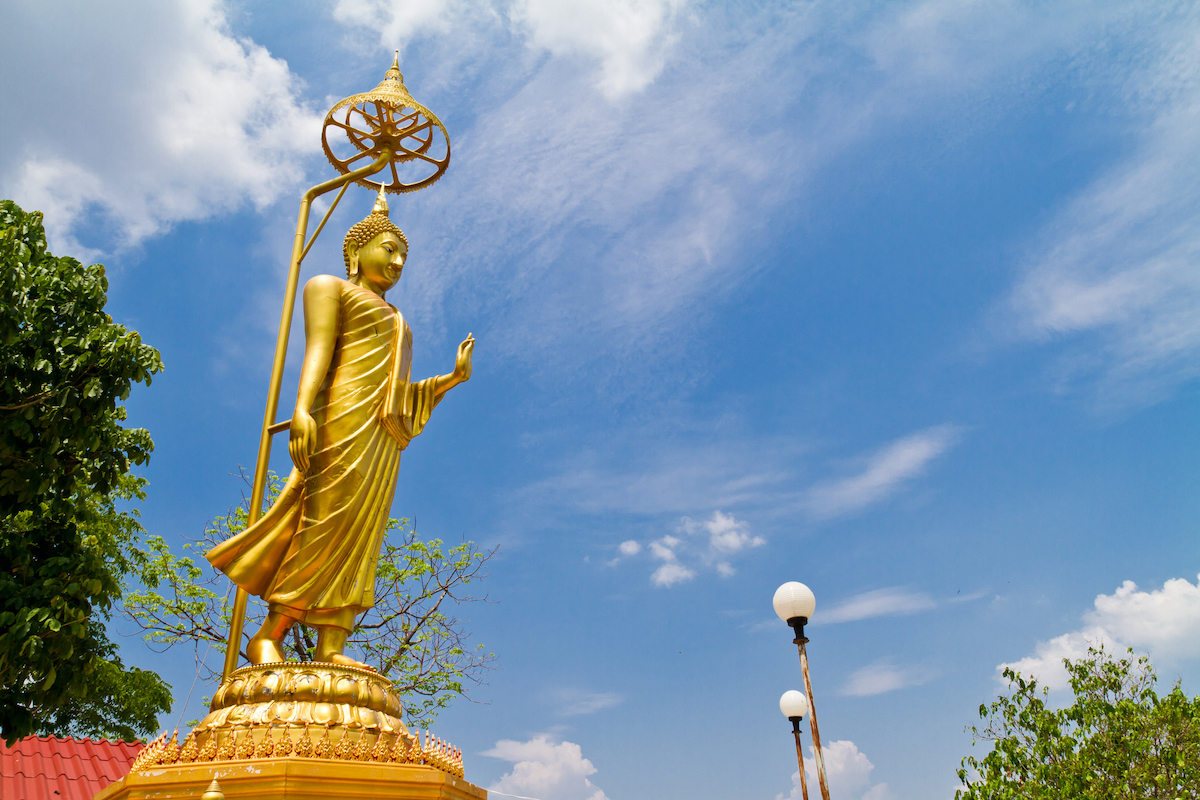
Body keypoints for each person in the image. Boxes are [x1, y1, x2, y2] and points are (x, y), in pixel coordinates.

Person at [207, 187, 473, 667]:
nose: (397, 262)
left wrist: (452, 379)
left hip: (380, 436)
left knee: (361, 533)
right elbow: (318, 351)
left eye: (403, 255)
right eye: (388, 249)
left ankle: (333, 643)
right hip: (339, 419)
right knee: (322, 519)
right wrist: (303, 407)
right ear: (356, 250)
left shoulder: (399, 320)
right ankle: (269, 635)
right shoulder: (328, 287)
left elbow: (401, 392)